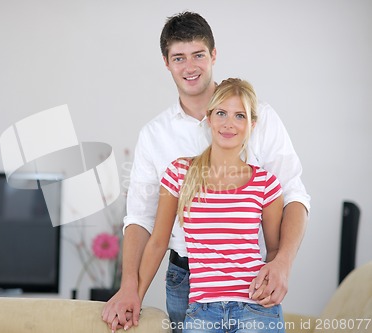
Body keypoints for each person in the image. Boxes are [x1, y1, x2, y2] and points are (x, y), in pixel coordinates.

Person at [101, 11, 310, 333]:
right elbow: (141, 219)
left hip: (249, 285)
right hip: (186, 279)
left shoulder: (262, 117)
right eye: (179, 57)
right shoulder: (155, 135)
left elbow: (293, 193)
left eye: (198, 54)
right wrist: (131, 286)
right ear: (166, 63)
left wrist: (281, 263)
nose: (190, 66)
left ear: (213, 55)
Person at [138, 78, 285, 332]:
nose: (229, 123)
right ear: (209, 118)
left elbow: (273, 252)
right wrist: (134, 296)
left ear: (252, 124)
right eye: (221, 113)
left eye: (240, 115)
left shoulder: (266, 183)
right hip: (201, 312)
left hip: (256, 310)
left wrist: (270, 289)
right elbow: (158, 242)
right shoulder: (179, 173)